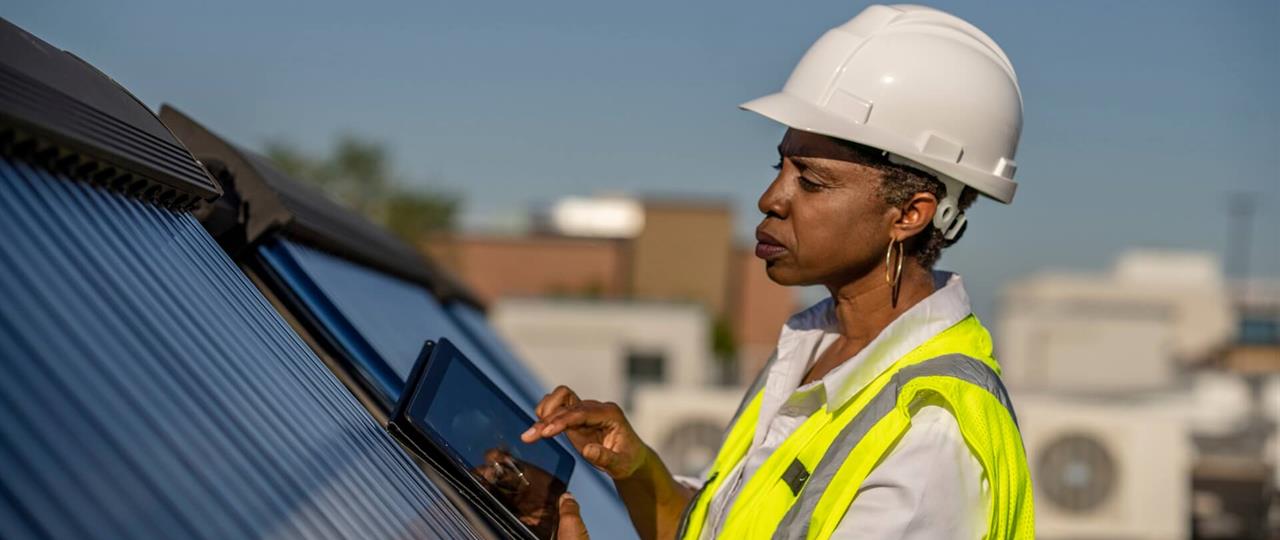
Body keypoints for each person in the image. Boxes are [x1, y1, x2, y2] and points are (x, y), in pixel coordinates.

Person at [527, 4, 1035, 539]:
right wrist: (637, 473)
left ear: (909, 214)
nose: (771, 199)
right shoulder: (812, 345)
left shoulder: (930, 430)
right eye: (780, 167)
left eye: (811, 182)